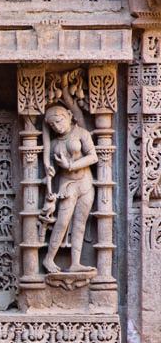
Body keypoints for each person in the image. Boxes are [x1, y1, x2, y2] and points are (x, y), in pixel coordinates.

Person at [41, 105, 97, 273]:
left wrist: (71, 165)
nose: (57, 127)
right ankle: (48, 259)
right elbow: (55, 168)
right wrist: (50, 172)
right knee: (62, 222)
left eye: (59, 121)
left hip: (85, 183)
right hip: (67, 185)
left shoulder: (82, 134)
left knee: (80, 224)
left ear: (69, 115)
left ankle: (75, 263)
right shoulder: (53, 144)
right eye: (52, 125)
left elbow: (93, 157)